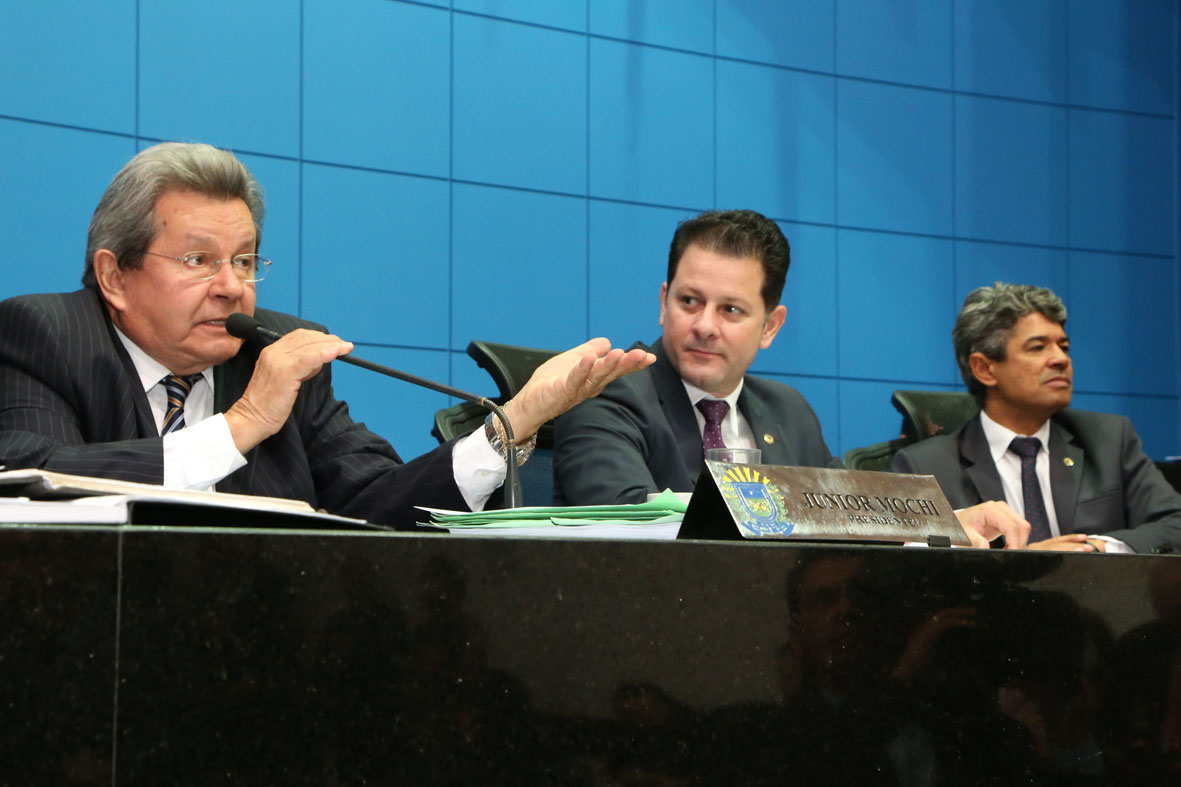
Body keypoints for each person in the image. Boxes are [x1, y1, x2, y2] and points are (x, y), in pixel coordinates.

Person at [0, 142, 654, 527]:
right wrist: (240, 425)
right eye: (198, 260)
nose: (231, 286)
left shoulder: (278, 348)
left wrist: (515, 420)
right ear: (114, 276)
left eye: (245, 261)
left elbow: (378, 504)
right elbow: (29, 477)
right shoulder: (47, 335)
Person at [553, 209, 837, 506]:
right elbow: (632, 523)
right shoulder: (604, 392)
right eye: (689, 301)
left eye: (731, 309)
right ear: (664, 304)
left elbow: (845, 515)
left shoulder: (790, 412)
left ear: (770, 326)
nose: (705, 326)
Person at [893, 283, 1181, 554]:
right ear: (985, 369)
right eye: (1037, 347)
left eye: (1063, 347)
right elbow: (913, 572)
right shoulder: (926, 467)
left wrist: (1093, 549)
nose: (1061, 359)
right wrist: (1027, 563)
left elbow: (1175, 523)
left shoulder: (1109, 440)